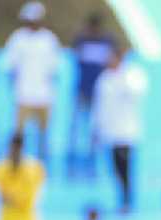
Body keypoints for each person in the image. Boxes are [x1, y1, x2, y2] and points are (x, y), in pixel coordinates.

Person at [3, 2, 60, 163]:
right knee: (19, 134)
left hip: (43, 96)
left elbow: (53, 69)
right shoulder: (17, 38)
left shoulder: (49, 39)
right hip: (23, 95)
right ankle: (17, 164)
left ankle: (42, 166)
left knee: (43, 134)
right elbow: (10, 67)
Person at [92, 46, 147, 212]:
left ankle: (127, 201)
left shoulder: (132, 74)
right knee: (115, 169)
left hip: (127, 132)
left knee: (126, 168)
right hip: (110, 133)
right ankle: (122, 198)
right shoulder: (104, 79)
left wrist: (123, 72)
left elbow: (136, 92)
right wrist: (96, 128)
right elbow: (99, 106)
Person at [68, 13, 116, 177]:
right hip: (82, 91)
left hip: (99, 93)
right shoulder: (82, 40)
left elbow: (112, 61)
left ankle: (91, 164)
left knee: (95, 130)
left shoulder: (107, 41)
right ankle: (72, 163)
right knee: (75, 128)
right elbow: (75, 54)